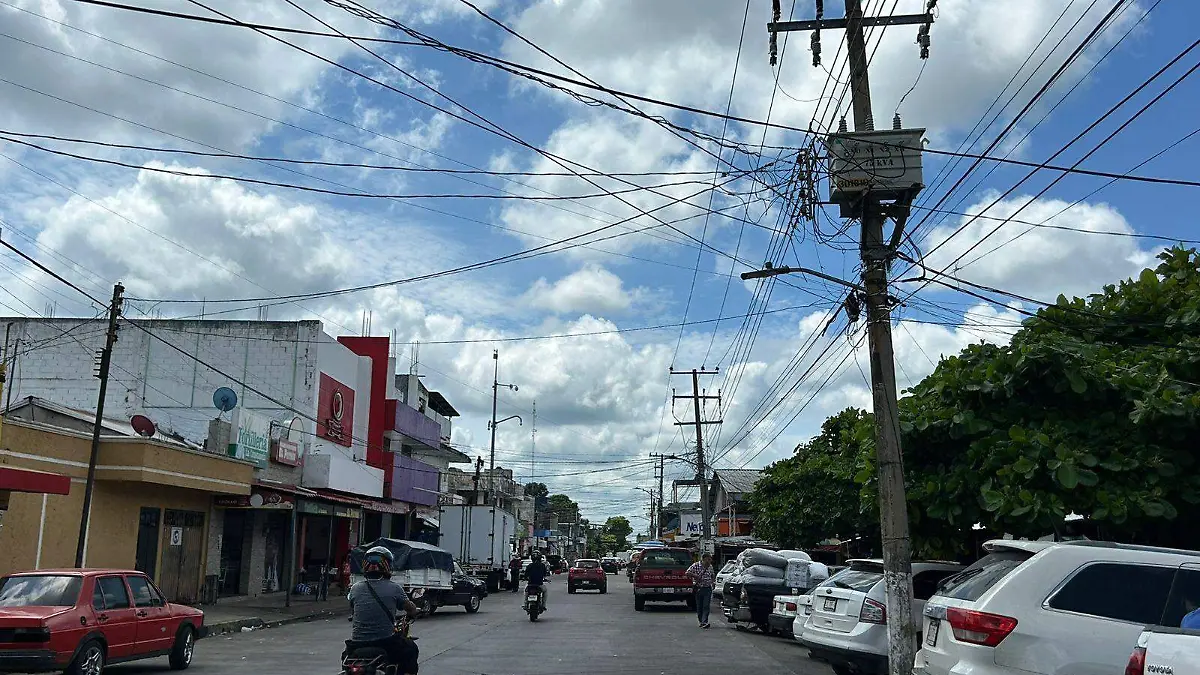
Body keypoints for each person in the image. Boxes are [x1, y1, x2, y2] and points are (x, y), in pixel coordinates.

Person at [345, 546, 420, 675]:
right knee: (411, 649)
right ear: (387, 565)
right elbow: (411, 609)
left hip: (357, 644)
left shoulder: (355, 589)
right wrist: (414, 612)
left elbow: (353, 607)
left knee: (345, 658)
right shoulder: (394, 588)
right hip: (385, 642)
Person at [686, 553, 717, 628]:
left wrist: (712, 582)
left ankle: (704, 621)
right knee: (699, 606)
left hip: (707, 588)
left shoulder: (710, 567)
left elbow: (712, 575)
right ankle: (701, 621)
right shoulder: (695, 565)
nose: (710, 561)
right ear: (704, 559)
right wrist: (695, 576)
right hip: (699, 588)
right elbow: (687, 573)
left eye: (710, 559)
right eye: (708, 559)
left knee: (706, 606)